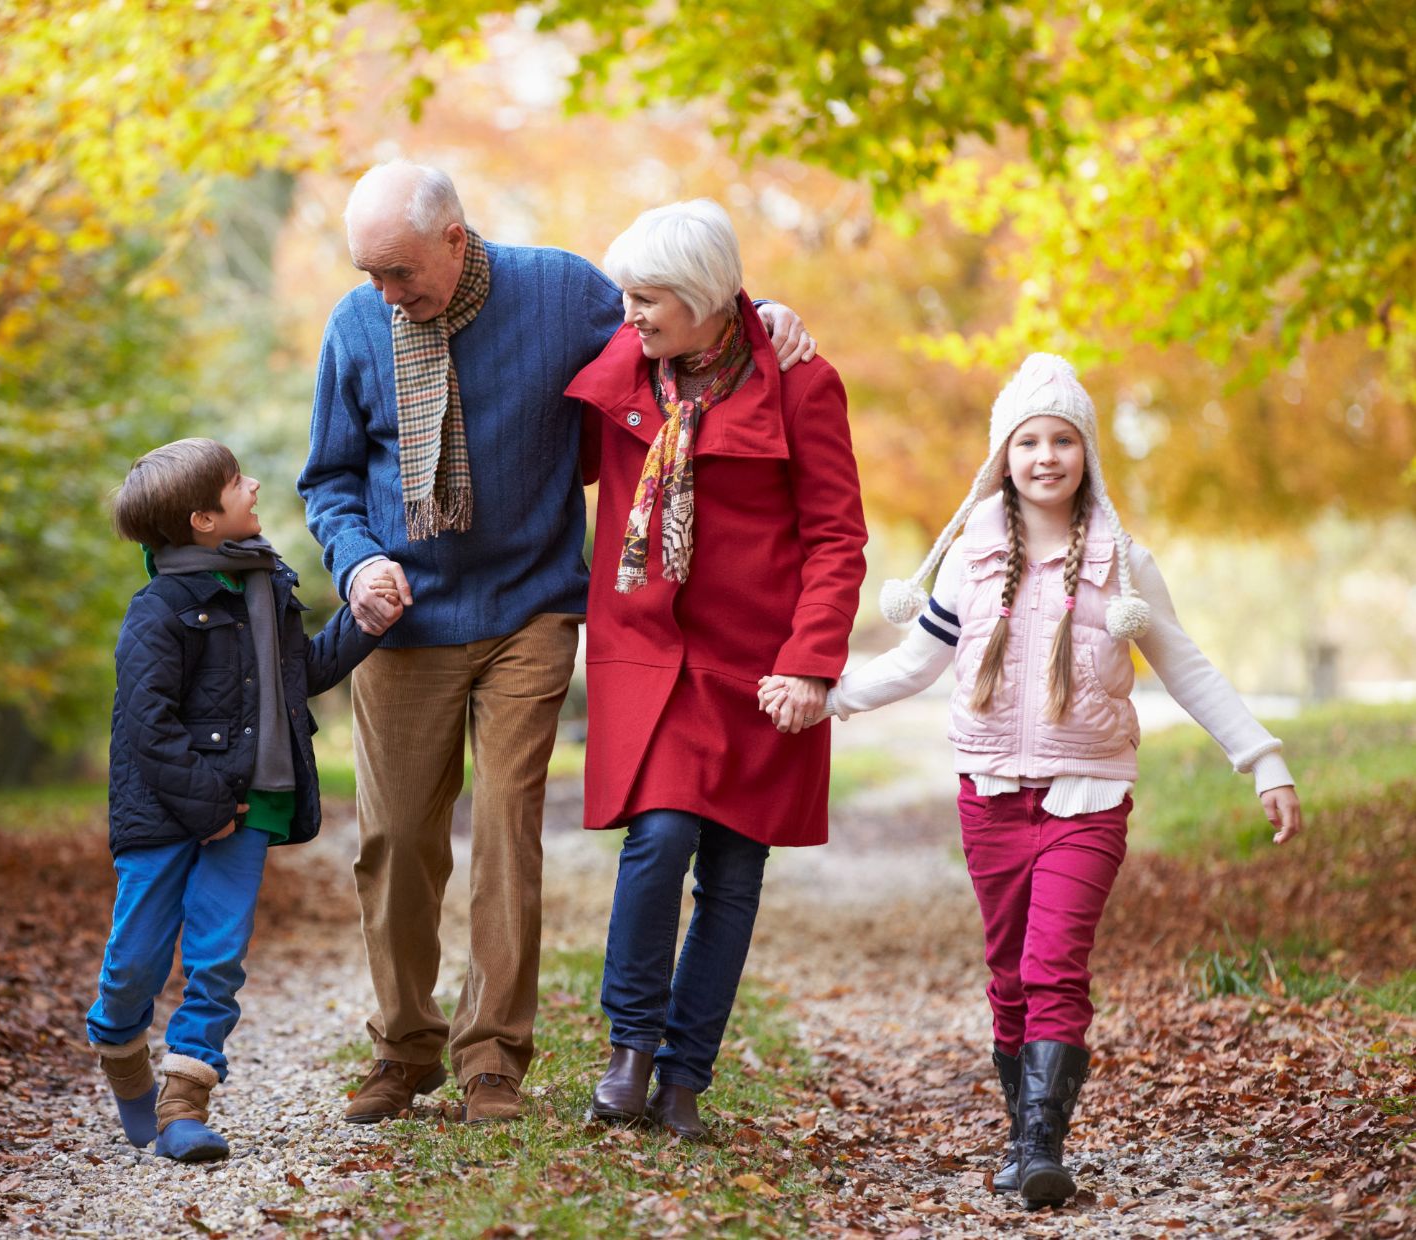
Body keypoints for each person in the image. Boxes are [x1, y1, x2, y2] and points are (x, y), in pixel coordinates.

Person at [299, 161, 817, 1125]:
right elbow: (327, 480)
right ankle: (404, 1046)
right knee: (398, 838)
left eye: (401, 273)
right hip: (402, 616)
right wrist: (357, 558)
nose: (385, 293)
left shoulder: (563, 291)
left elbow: (682, 325)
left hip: (532, 605)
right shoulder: (357, 328)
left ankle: (492, 1057)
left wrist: (763, 312)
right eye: (369, 272)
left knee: (505, 823)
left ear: (456, 239)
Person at [803, 353, 1305, 1206]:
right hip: (991, 794)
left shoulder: (1123, 563)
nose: (1045, 456)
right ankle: (1020, 1131)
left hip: (1089, 796)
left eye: (1063, 440)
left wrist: (1263, 759)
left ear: (1087, 455)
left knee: (1054, 966)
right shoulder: (970, 558)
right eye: (1028, 440)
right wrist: (827, 697)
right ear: (1003, 455)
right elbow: (916, 663)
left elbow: (1188, 668)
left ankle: (1042, 1146)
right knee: (1008, 971)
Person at [567, 200, 868, 1139]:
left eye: (651, 298)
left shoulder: (803, 384)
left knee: (735, 872)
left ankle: (685, 1081)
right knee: (658, 841)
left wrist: (812, 663)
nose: (631, 314)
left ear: (704, 301)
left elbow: (835, 537)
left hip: (760, 665)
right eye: (627, 294)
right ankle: (630, 1050)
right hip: (650, 655)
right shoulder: (623, 362)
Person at [87, 438, 397, 1162]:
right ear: (202, 519)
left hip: (250, 804)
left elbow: (299, 676)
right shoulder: (159, 609)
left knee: (218, 955)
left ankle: (185, 1103)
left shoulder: (267, 588)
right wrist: (207, 802)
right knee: (136, 958)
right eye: (235, 483)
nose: (254, 485)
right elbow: (148, 723)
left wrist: (365, 623)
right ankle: (121, 1050)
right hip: (167, 811)